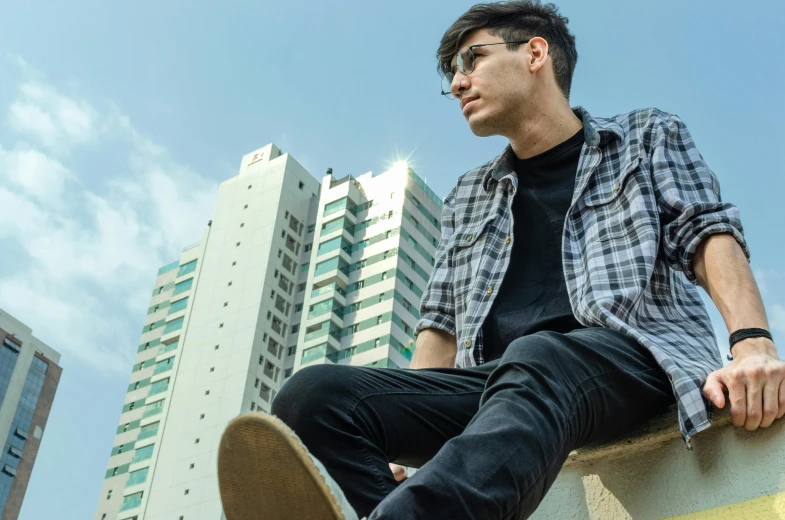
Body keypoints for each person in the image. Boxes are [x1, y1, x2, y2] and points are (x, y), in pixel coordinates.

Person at [216, 2, 785, 519]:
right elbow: (438, 324)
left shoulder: (643, 135)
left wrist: (753, 343)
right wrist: (408, 439)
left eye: (473, 59)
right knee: (312, 397)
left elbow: (708, 233)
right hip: (504, 387)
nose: (459, 82)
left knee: (538, 354)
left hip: (633, 359)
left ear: (535, 52)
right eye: (452, 75)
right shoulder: (471, 193)